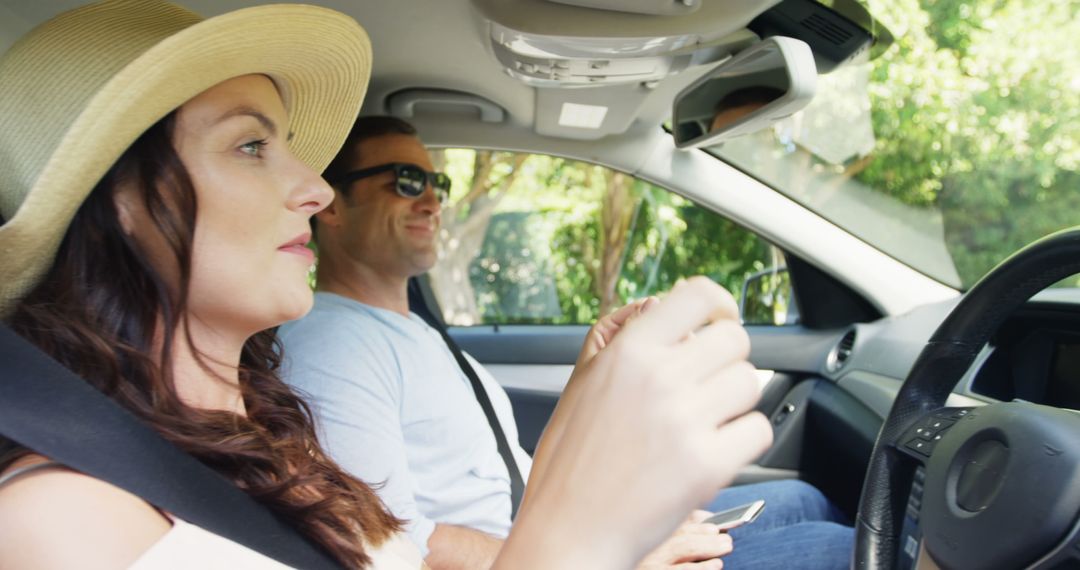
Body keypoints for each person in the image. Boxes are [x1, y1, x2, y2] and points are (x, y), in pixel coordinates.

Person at [0, 1, 772, 569]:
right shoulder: (59, 520)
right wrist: (587, 545)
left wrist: (591, 434)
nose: (315, 189)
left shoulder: (275, 439)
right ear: (123, 203)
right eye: (250, 147)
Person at [279, 115, 853, 569]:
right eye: (407, 182)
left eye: (438, 184)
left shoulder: (411, 330)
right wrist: (614, 552)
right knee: (841, 551)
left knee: (804, 500)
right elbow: (396, 545)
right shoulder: (331, 343)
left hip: (558, 541)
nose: (431, 201)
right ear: (331, 204)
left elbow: (516, 480)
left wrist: (589, 379)